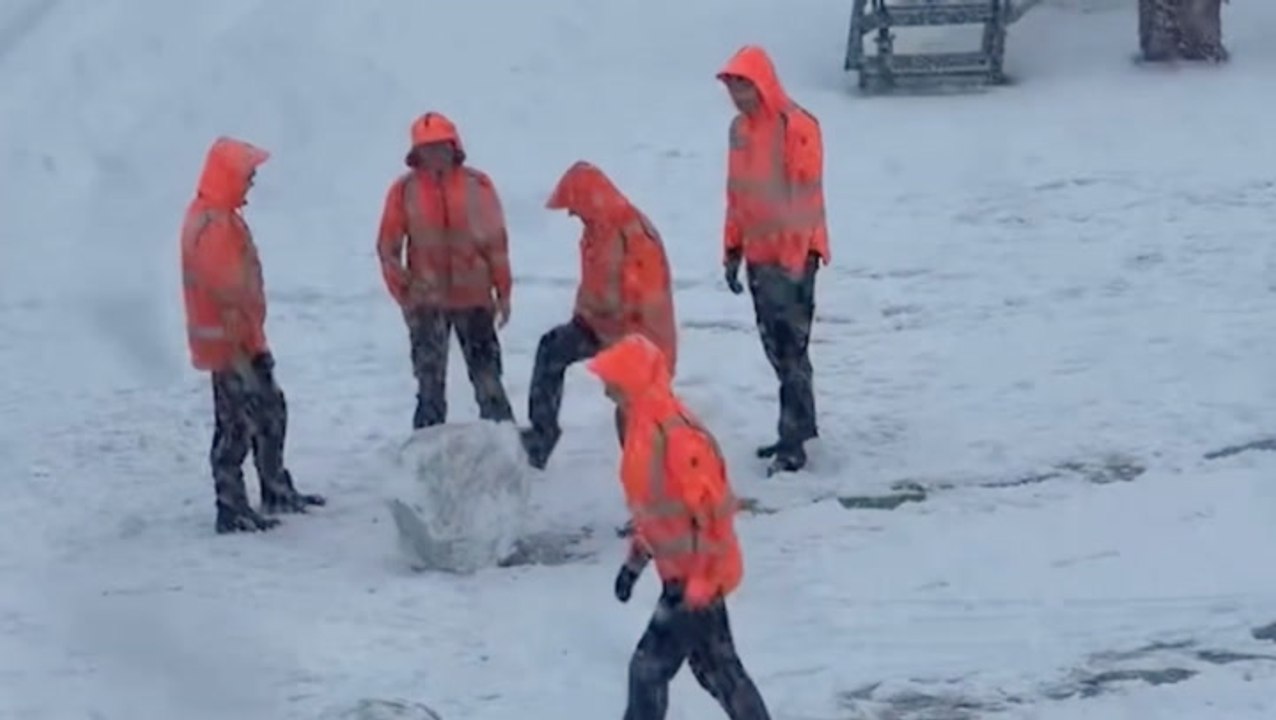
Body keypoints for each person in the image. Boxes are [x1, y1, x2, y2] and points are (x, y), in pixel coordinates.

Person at [586, 334, 771, 720]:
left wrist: (700, 584)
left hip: (695, 579)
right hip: (687, 576)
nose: (604, 390)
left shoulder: (675, 436)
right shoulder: (643, 426)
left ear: (631, 381)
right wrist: (635, 563)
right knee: (718, 670)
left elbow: (711, 516)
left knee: (648, 671)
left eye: (610, 380)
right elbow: (657, 509)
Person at [180, 136, 326, 534]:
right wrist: (239, 341)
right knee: (236, 425)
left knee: (269, 412)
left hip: (243, 340)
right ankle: (232, 507)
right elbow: (224, 288)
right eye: (248, 175)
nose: (252, 183)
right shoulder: (213, 223)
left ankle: (274, 488)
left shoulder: (221, 217)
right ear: (228, 175)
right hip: (230, 346)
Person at [717, 45, 830, 476]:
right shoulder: (739, 132)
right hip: (759, 255)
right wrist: (732, 249)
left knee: (791, 348)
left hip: (795, 256)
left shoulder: (796, 126)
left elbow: (805, 198)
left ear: (763, 82)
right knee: (777, 350)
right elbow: (737, 196)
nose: (738, 96)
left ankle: (793, 442)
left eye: (743, 85)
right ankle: (802, 428)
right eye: (731, 87)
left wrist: (792, 261)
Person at [520, 161, 677, 470]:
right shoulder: (596, 229)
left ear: (588, 199)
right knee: (551, 349)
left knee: (634, 417)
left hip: (640, 339)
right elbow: (595, 285)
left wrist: (629, 354)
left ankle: (655, 493)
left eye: (573, 206)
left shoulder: (633, 234)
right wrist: (584, 318)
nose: (571, 214)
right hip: (600, 327)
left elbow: (643, 300)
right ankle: (542, 437)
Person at [377, 111, 516, 430]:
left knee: (489, 385)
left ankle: (507, 453)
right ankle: (425, 460)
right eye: (428, 148)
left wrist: (503, 292)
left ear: (454, 147)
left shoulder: (477, 186)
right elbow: (388, 248)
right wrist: (405, 294)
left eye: (441, 146)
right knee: (429, 390)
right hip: (427, 305)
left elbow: (496, 243)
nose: (435, 154)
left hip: (475, 301)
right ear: (417, 153)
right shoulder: (404, 191)